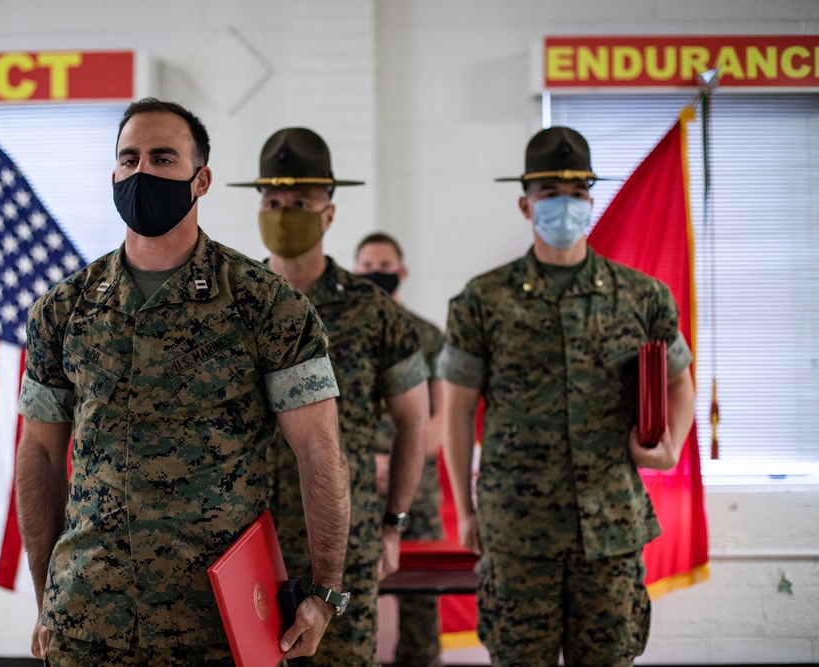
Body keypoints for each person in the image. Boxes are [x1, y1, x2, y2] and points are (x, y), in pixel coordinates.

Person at [14, 99, 351, 667]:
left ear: (201, 179)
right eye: (130, 158)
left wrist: (324, 594)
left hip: (218, 626)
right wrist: (48, 597)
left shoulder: (266, 306)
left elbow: (320, 452)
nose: (143, 172)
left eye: (163, 158)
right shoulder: (64, 310)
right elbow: (40, 455)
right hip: (88, 617)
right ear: (114, 173)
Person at [439, 126, 696, 666]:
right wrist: (466, 509)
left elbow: (678, 378)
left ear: (591, 201)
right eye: (550, 194)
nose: (564, 206)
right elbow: (458, 408)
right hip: (516, 531)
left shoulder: (642, 296)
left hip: (611, 527)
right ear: (525, 204)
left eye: (577, 195)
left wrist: (670, 446)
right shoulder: (483, 300)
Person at [230, 127, 430, 666]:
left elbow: (415, 423)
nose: (284, 212)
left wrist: (394, 525)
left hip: (345, 549)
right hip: (243, 546)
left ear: (329, 213)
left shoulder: (376, 312)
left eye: (300, 202)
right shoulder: (229, 305)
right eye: (272, 201)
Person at [354, 232, 445, 667]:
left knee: (422, 603)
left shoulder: (429, 336)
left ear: (402, 272)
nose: (376, 275)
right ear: (354, 273)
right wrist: (369, 462)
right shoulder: (340, 337)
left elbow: (442, 421)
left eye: (385, 267)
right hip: (355, 486)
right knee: (352, 601)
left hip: (418, 491)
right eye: (368, 267)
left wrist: (401, 460)